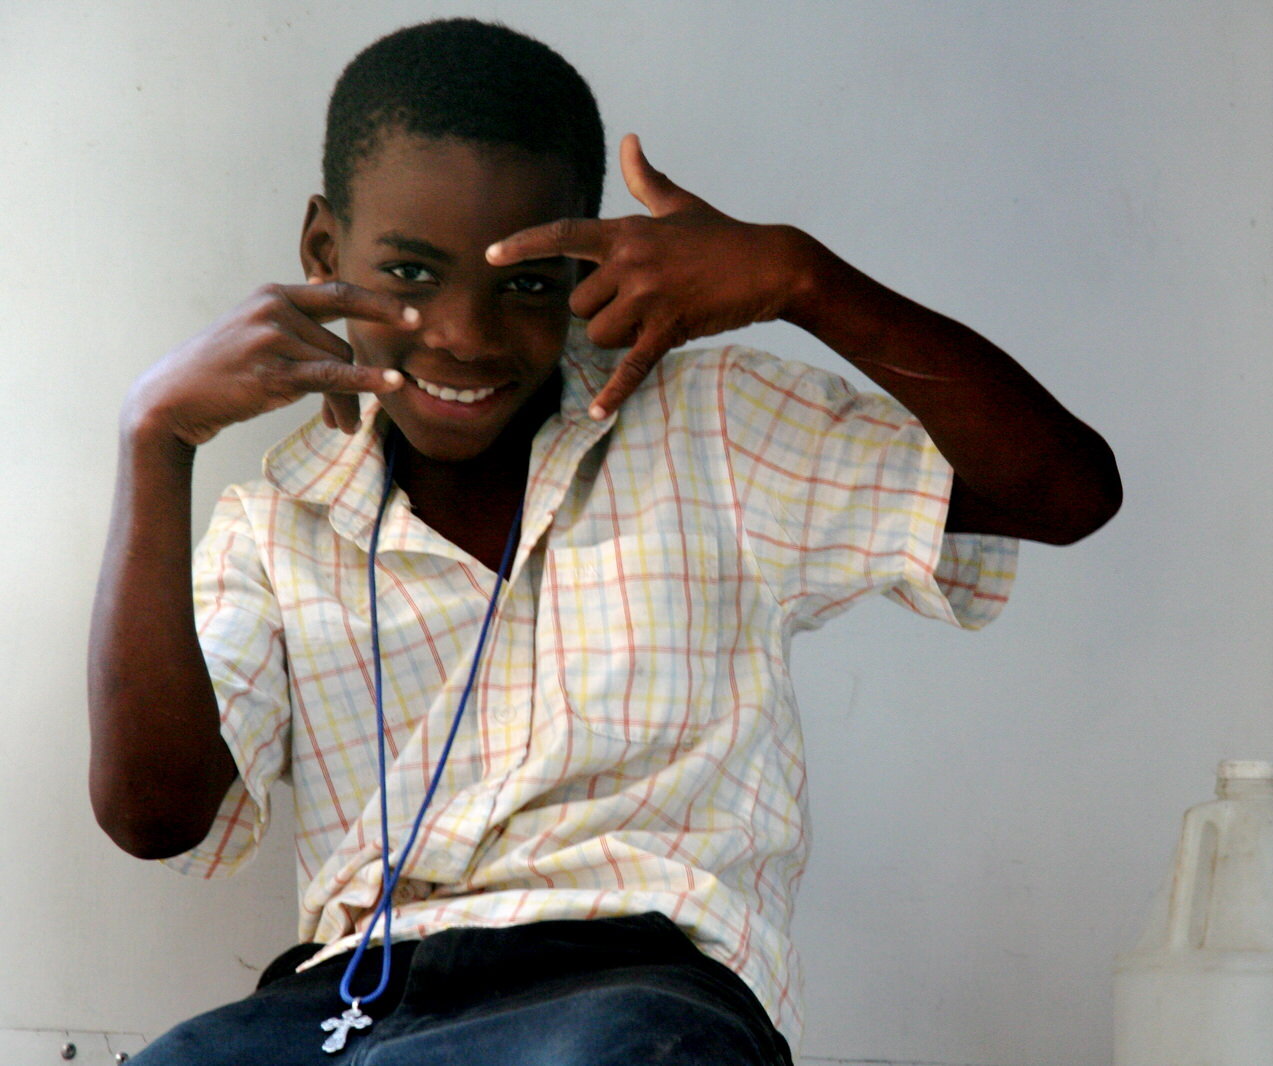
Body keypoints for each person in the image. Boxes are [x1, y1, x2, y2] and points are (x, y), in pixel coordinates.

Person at [87, 17, 1120, 1066]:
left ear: (584, 265)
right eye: (410, 273)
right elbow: (154, 816)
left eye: (528, 283)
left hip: (628, 988)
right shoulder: (276, 524)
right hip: (349, 999)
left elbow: (1065, 493)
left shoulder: (710, 427)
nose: (465, 334)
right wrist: (155, 442)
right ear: (323, 251)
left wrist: (801, 279)